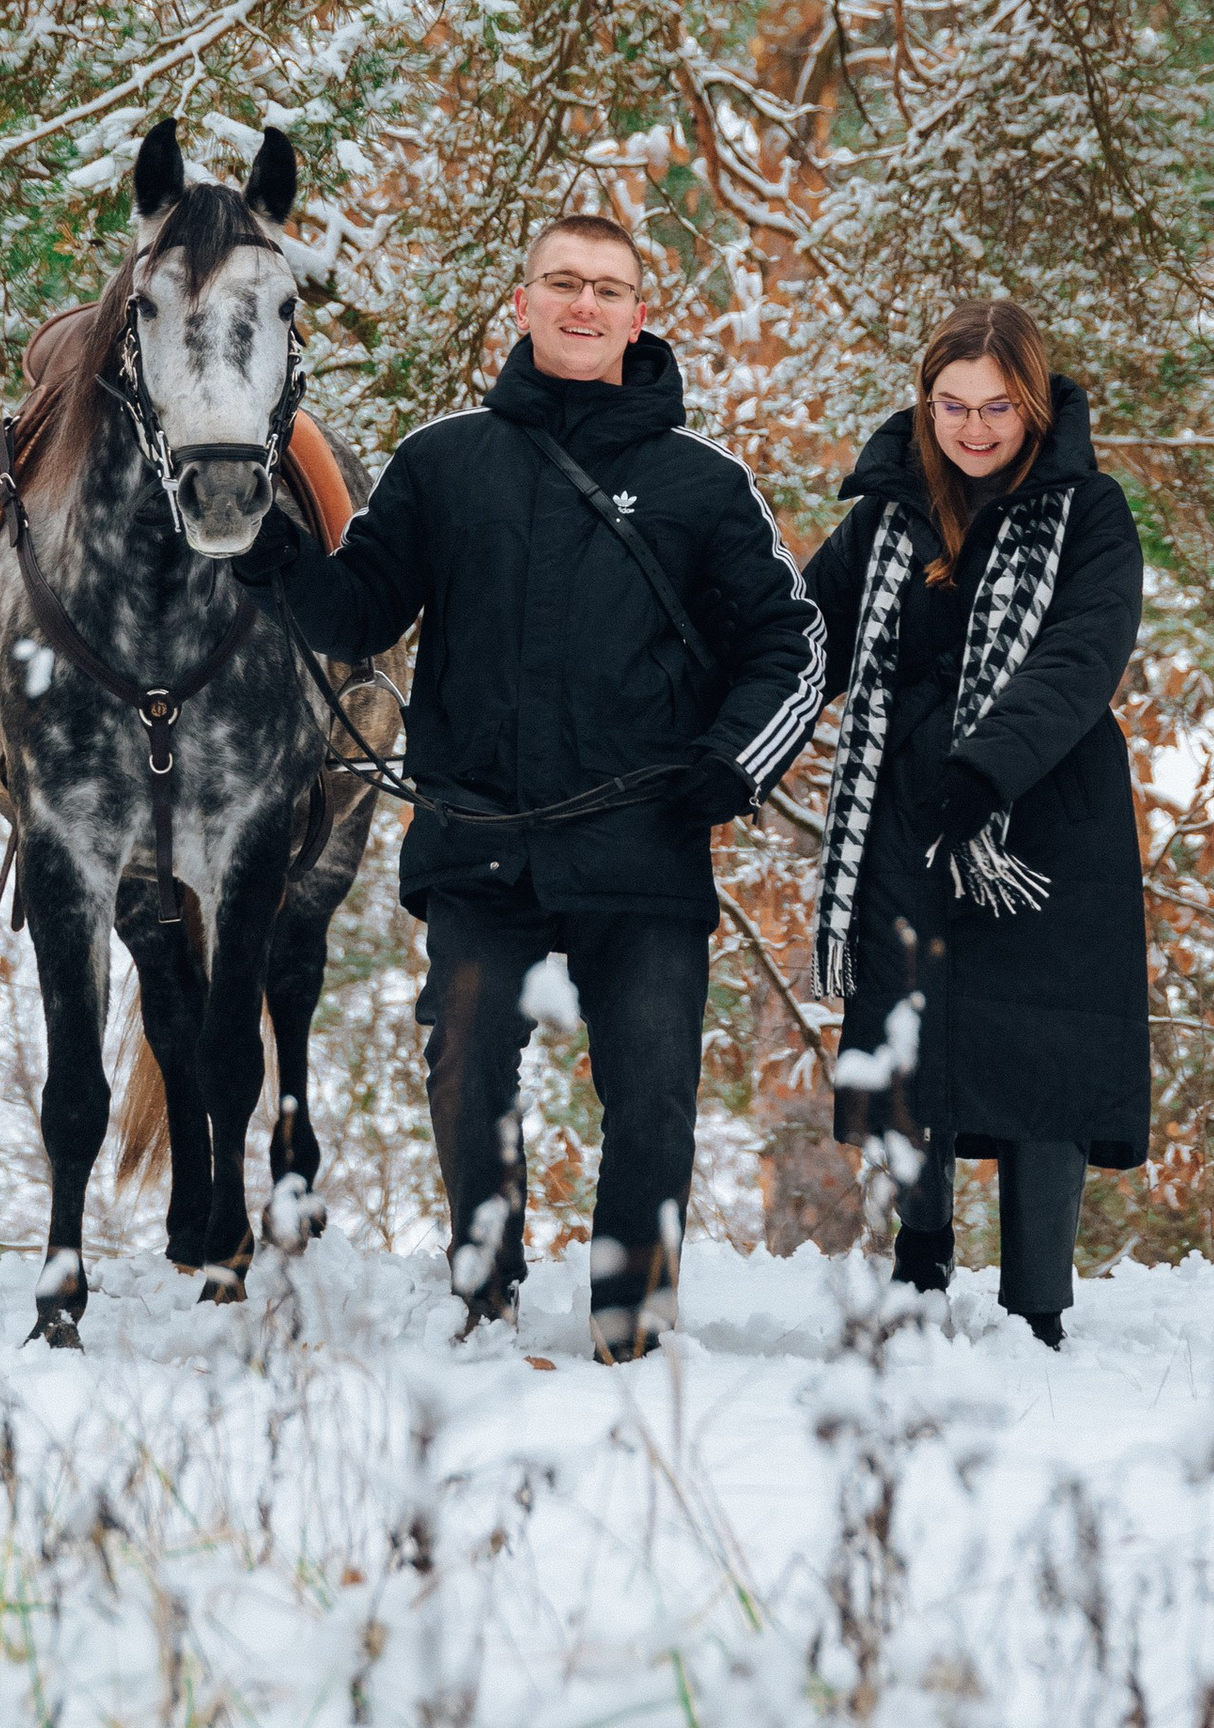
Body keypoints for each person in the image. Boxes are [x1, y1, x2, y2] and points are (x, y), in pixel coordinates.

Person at [253, 215, 823, 1354]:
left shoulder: (704, 482)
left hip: (646, 840)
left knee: (653, 1092)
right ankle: (484, 1286)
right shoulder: (442, 459)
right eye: (562, 281)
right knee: (465, 1069)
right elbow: (360, 608)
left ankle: (630, 1315)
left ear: (637, 315)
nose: (583, 303)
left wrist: (732, 761)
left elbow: (792, 644)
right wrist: (273, 557)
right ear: (523, 301)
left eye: (607, 288)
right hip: (481, 839)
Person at [802, 298, 1147, 1347]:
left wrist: (986, 769)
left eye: (998, 404)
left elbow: (1081, 654)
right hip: (908, 808)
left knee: (1045, 1048)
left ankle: (1037, 1301)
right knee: (919, 1037)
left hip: (1044, 814)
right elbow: (801, 634)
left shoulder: (1089, 509)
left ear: (1033, 401)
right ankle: (920, 1261)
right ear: (927, 401)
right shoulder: (885, 513)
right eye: (952, 403)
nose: (975, 426)